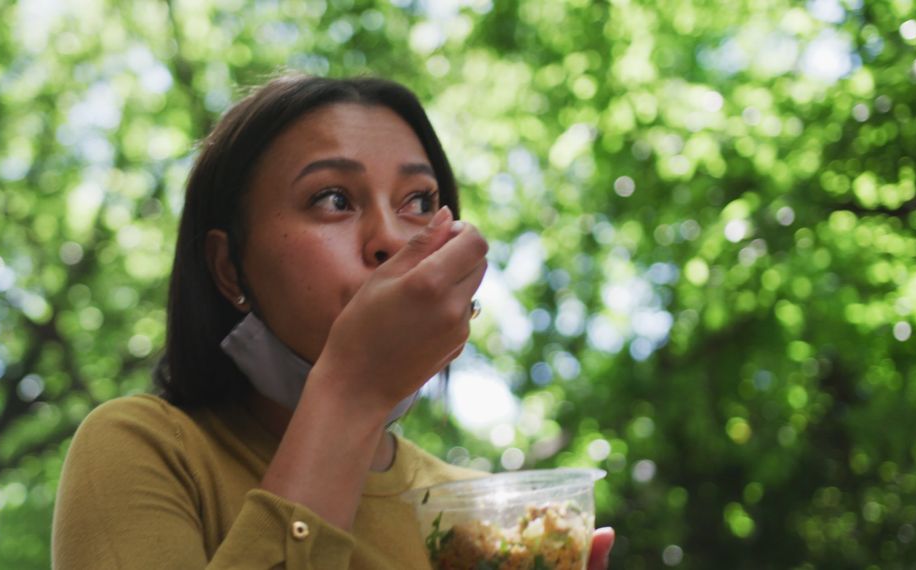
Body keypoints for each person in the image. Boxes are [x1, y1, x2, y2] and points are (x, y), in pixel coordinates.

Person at [51, 74, 614, 569]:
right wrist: (351, 389)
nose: (393, 239)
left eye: (418, 202)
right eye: (333, 199)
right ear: (229, 269)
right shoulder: (146, 449)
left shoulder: (475, 512)